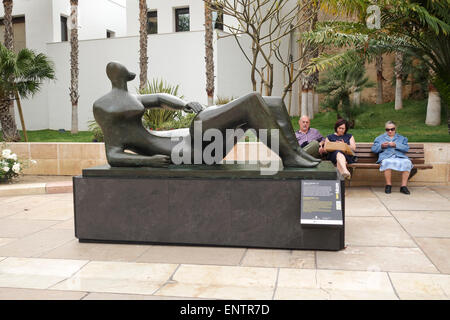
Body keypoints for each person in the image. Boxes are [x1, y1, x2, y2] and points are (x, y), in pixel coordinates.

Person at [93, 62, 321, 168]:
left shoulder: (132, 98)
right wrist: (148, 162)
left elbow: (160, 99)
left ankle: (295, 151)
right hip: (187, 150)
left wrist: (184, 105)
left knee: (271, 102)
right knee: (252, 101)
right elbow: (113, 155)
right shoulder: (103, 107)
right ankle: (290, 156)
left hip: (194, 142)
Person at [371, 121, 412, 195]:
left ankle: (403, 186)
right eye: (387, 129)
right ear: (385, 129)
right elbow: (374, 149)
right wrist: (381, 146)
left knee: (407, 162)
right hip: (386, 157)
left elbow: (406, 148)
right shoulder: (379, 138)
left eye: (392, 129)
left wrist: (396, 145)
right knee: (386, 162)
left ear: (395, 129)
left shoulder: (402, 138)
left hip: (399, 157)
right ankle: (388, 185)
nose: (390, 131)